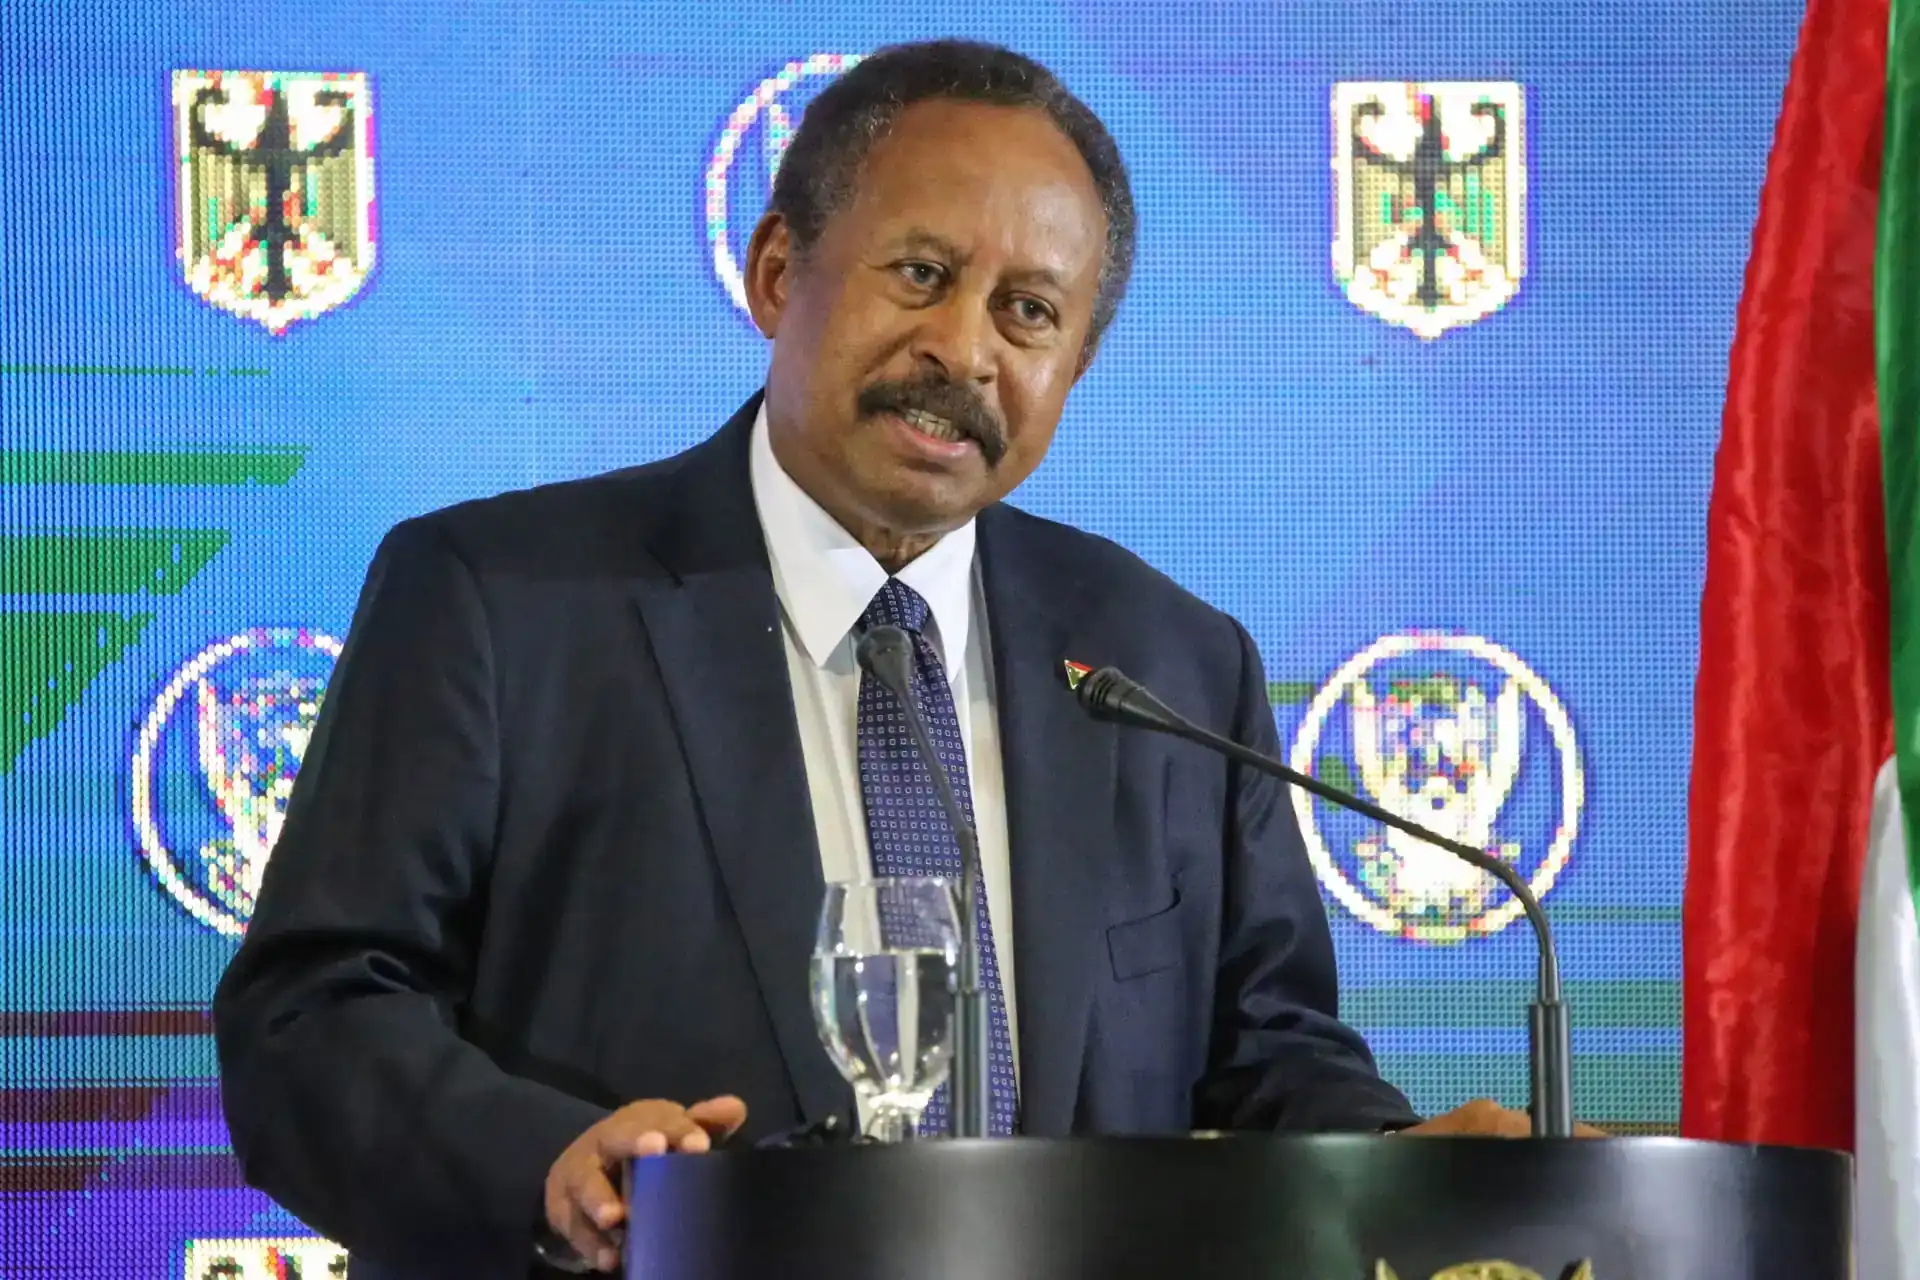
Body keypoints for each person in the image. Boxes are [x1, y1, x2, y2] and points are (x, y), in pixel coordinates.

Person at [213, 39, 1573, 1280]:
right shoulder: (504, 601)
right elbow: (312, 1020)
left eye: (1028, 312)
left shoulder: (1168, 662)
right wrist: (545, 1163)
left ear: (1074, 369)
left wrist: (1391, 1167)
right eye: (921, 274)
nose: (961, 350)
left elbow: (1262, 1054)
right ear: (776, 274)